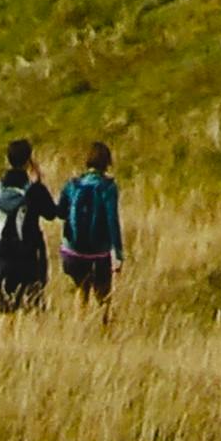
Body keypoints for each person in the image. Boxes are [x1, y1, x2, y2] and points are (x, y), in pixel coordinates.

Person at [0, 137, 63, 320]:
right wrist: (38, 182)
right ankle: (33, 343)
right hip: (29, 257)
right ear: (28, 160)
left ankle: (6, 345)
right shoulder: (33, 190)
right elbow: (51, 213)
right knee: (33, 307)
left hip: (3, 257)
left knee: (7, 310)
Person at [59, 138, 125, 322]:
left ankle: (79, 328)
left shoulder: (72, 185)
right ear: (107, 163)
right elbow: (113, 220)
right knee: (103, 296)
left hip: (73, 251)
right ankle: (105, 332)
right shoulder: (108, 187)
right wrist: (118, 253)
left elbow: (61, 212)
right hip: (98, 253)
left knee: (81, 289)